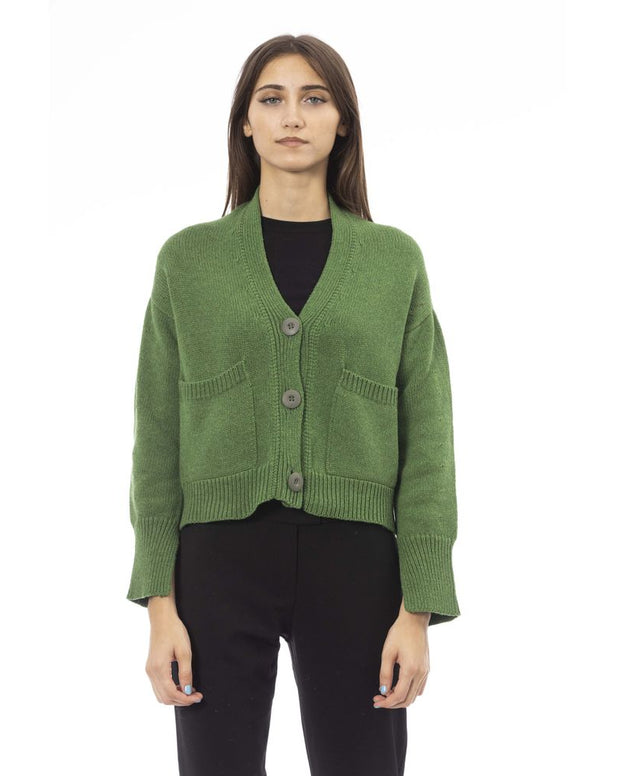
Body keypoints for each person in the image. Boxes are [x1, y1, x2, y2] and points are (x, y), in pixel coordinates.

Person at [126, 33, 461, 776]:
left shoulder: (393, 261)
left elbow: (429, 443)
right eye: (271, 99)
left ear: (343, 122)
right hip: (217, 561)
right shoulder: (188, 261)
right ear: (245, 123)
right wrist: (159, 605)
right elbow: (157, 438)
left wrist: (418, 608)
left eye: (314, 98)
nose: (293, 116)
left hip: (357, 562)